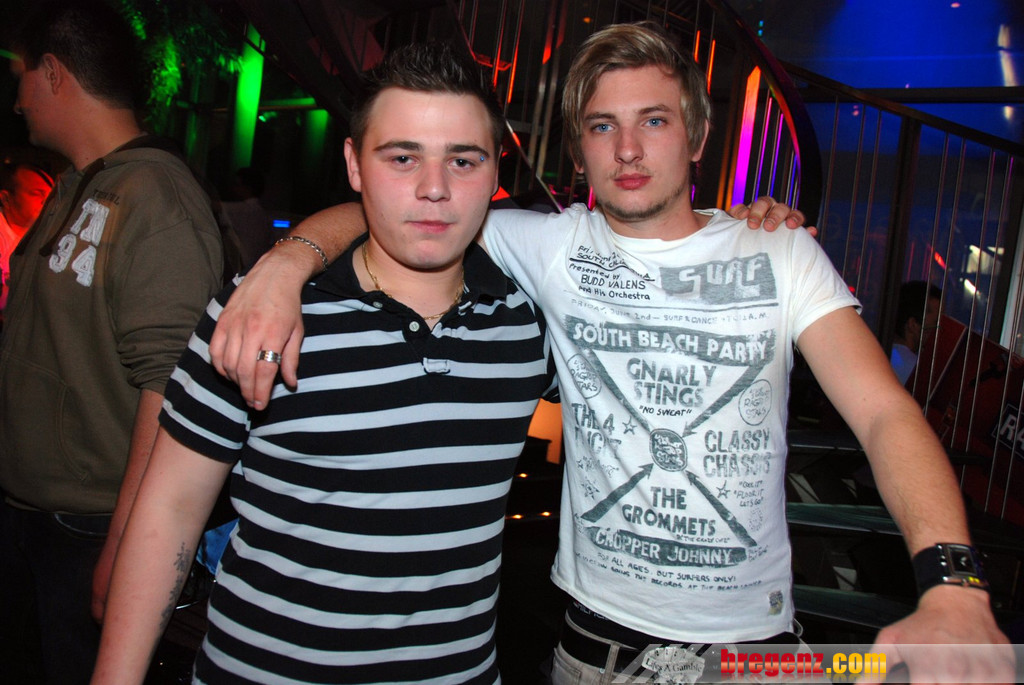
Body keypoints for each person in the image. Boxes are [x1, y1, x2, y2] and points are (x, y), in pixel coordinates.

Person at [207, 21, 1012, 683]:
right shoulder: (546, 244)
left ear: (697, 136)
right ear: (580, 149)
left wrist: (953, 583)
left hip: (748, 655)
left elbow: (882, 412)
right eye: (602, 126)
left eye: (653, 121)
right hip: (591, 649)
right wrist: (287, 262)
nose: (627, 148)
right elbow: (399, 204)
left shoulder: (780, 251)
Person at [91, 42, 556, 684]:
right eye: (402, 158)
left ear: (494, 167)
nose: (435, 188)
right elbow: (169, 511)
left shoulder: (526, 321)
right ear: (354, 165)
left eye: (463, 160)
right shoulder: (261, 314)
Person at [0, 1, 224, 682]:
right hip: (36, 516)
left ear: (53, 72)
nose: (16, 100)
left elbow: (174, 387)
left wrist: (127, 550)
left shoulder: (155, 195)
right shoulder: (80, 183)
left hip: (90, 528)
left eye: (20, 77)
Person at [0, 160, 53, 314]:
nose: (45, 202)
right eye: (36, 194)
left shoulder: (47, 234)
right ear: (6, 199)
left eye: (49, 196)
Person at [220, 166, 275, 269]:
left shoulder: (244, 209)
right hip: (257, 265)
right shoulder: (264, 214)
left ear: (247, 187)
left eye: (237, 184)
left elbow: (211, 205)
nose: (233, 188)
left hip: (244, 266)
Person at [891, 280, 942, 386]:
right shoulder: (920, 371)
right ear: (913, 325)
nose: (939, 330)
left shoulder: (877, 355)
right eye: (936, 323)